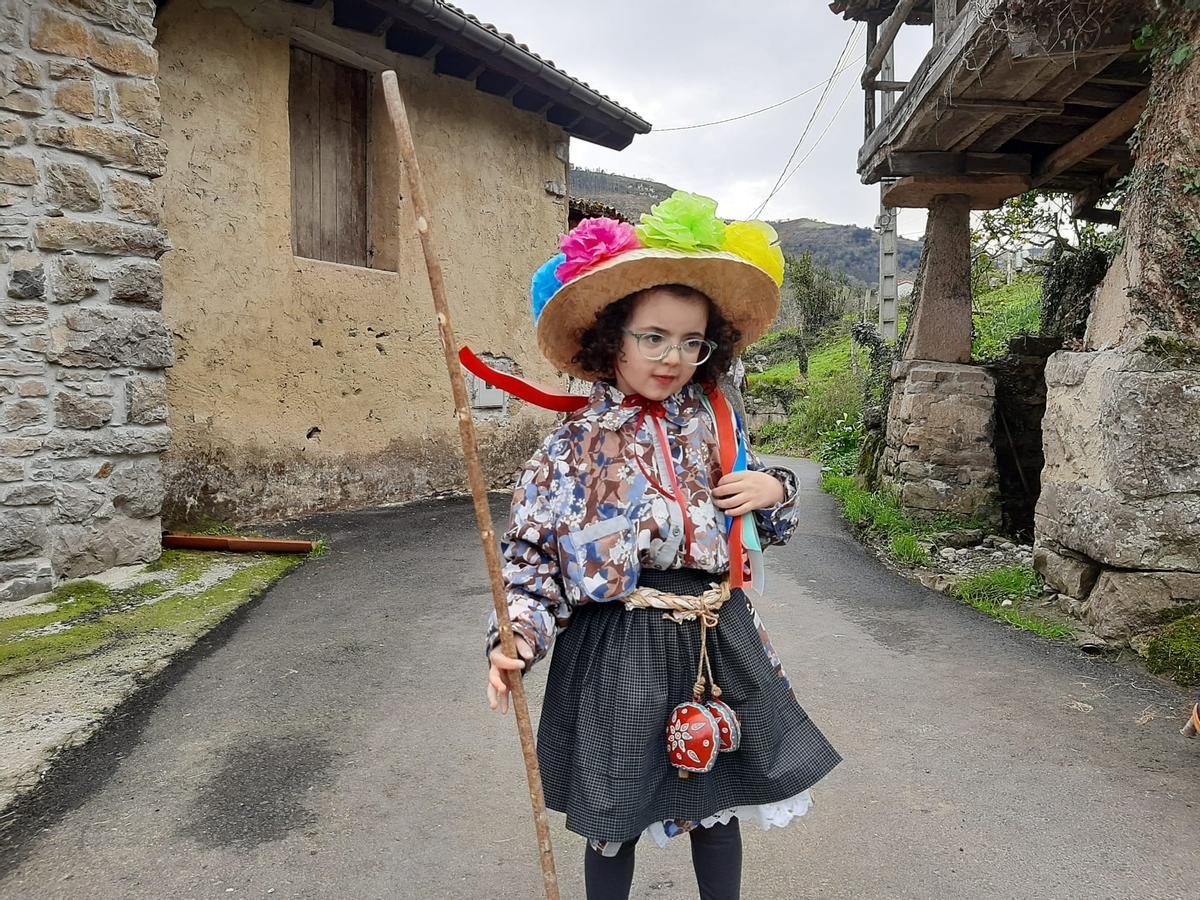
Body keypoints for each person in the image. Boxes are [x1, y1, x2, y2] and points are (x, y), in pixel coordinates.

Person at [483, 192, 841, 900]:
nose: (673, 357)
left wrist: (773, 489)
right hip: (617, 645)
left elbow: (759, 525)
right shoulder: (572, 449)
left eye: (690, 342)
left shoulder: (715, 420)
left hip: (715, 634)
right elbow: (532, 564)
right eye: (652, 337)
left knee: (716, 802)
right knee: (613, 812)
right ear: (611, 339)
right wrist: (516, 636)